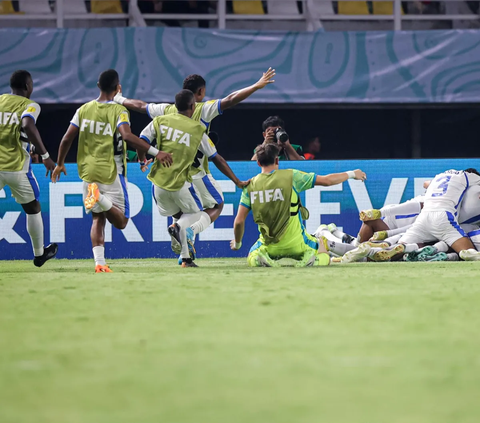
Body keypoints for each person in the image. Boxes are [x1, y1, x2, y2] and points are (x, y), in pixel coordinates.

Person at [114, 67, 275, 239]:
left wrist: (118, 98)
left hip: (169, 173)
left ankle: (185, 255)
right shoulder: (203, 109)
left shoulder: (165, 110)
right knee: (217, 205)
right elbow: (230, 99)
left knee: (181, 216)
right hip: (197, 174)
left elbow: (140, 106)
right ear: (200, 91)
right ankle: (191, 233)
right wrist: (256, 86)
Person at [52, 69, 173, 273]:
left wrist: (60, 163)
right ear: (118, 88)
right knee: (122, 222)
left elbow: (66, 138)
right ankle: (99, 198)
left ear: (98, 85)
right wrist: (155, 151)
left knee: (98, 219)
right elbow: (126, 136)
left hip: (88, 171)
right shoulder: (119, 111)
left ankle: (99, 263)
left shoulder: (83, 109)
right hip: (111, 171)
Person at [139, 89, 248, 267]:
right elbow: (217, 158)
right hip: (181, 183)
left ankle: (185, 259)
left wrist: (145, 158)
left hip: (156, 185)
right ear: (192, 105)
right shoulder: (198, 129)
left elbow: (141, 140)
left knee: (181, 216)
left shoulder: (160, 120)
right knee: (196, 214)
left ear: (175, 106)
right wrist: (236, 181)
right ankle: (182, 230)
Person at [231, 143, 367, 267]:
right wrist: (352, 174)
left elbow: (239, 221)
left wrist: (237, 243)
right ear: (277, 160)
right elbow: (327, 181)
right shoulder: (292, 176)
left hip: (269, 246)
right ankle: (315, 260)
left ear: (258, 163)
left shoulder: (249, 186)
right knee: (324, 251)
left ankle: (258, 260)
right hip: (298, 243)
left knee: (252, 255)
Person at [0, 70, 58, 267]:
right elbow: (27, 124)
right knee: (33, 208)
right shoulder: (30, 105)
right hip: (17, 169)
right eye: (32, 84)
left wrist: (30, 145)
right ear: (27, 86)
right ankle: (39, 254)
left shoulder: (0, 101)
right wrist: (46, 156)